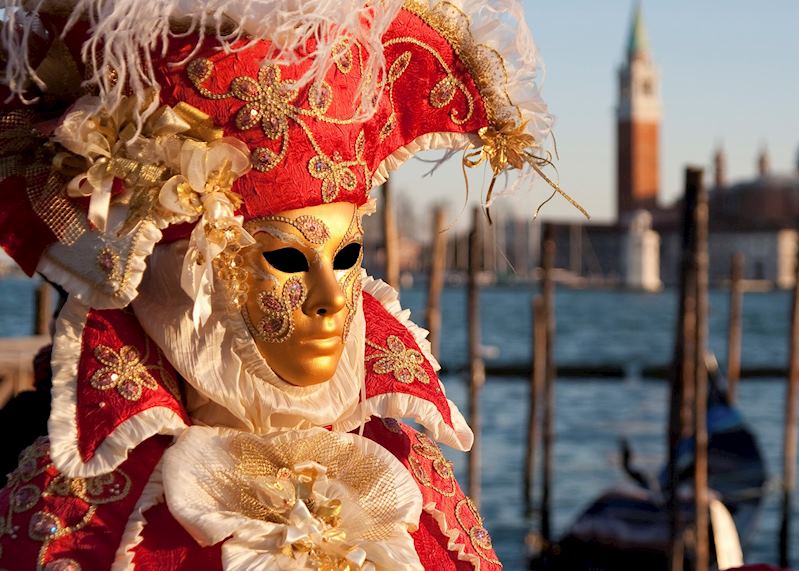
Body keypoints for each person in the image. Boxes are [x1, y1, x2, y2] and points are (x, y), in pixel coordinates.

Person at [0, 1, 560, 568]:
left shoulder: (403, 472)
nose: (332, 300)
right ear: (190, 274)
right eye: (289, 258)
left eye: (346, 257)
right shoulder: (81, 516)